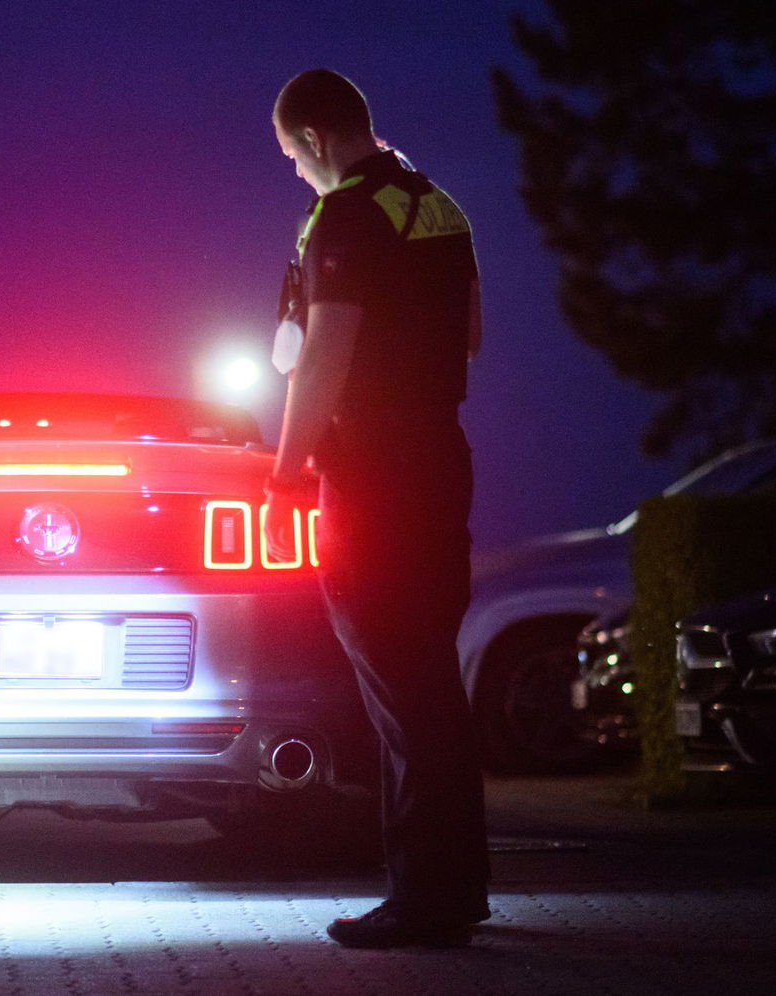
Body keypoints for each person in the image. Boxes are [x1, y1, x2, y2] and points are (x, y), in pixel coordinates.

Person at [264, 68, 489, 949]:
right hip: (442, 462)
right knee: (432, 675)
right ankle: (455, 887)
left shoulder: (343, 215)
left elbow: (322, 358)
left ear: (317, 139)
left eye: (291, 156)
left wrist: (286, 475)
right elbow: (471, 333)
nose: (295, 173)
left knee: (397, 682)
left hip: (373, 475)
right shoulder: (441, 207)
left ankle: (422, 899)